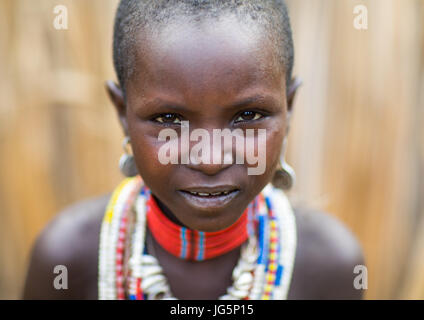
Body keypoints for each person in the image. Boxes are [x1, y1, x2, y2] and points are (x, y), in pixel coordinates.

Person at [23, 0, 364, 300]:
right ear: (121, 114)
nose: (211, 159)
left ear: (288, 109)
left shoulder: (329, 267)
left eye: (248, 116)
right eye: (169, 119)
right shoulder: (68, 261)